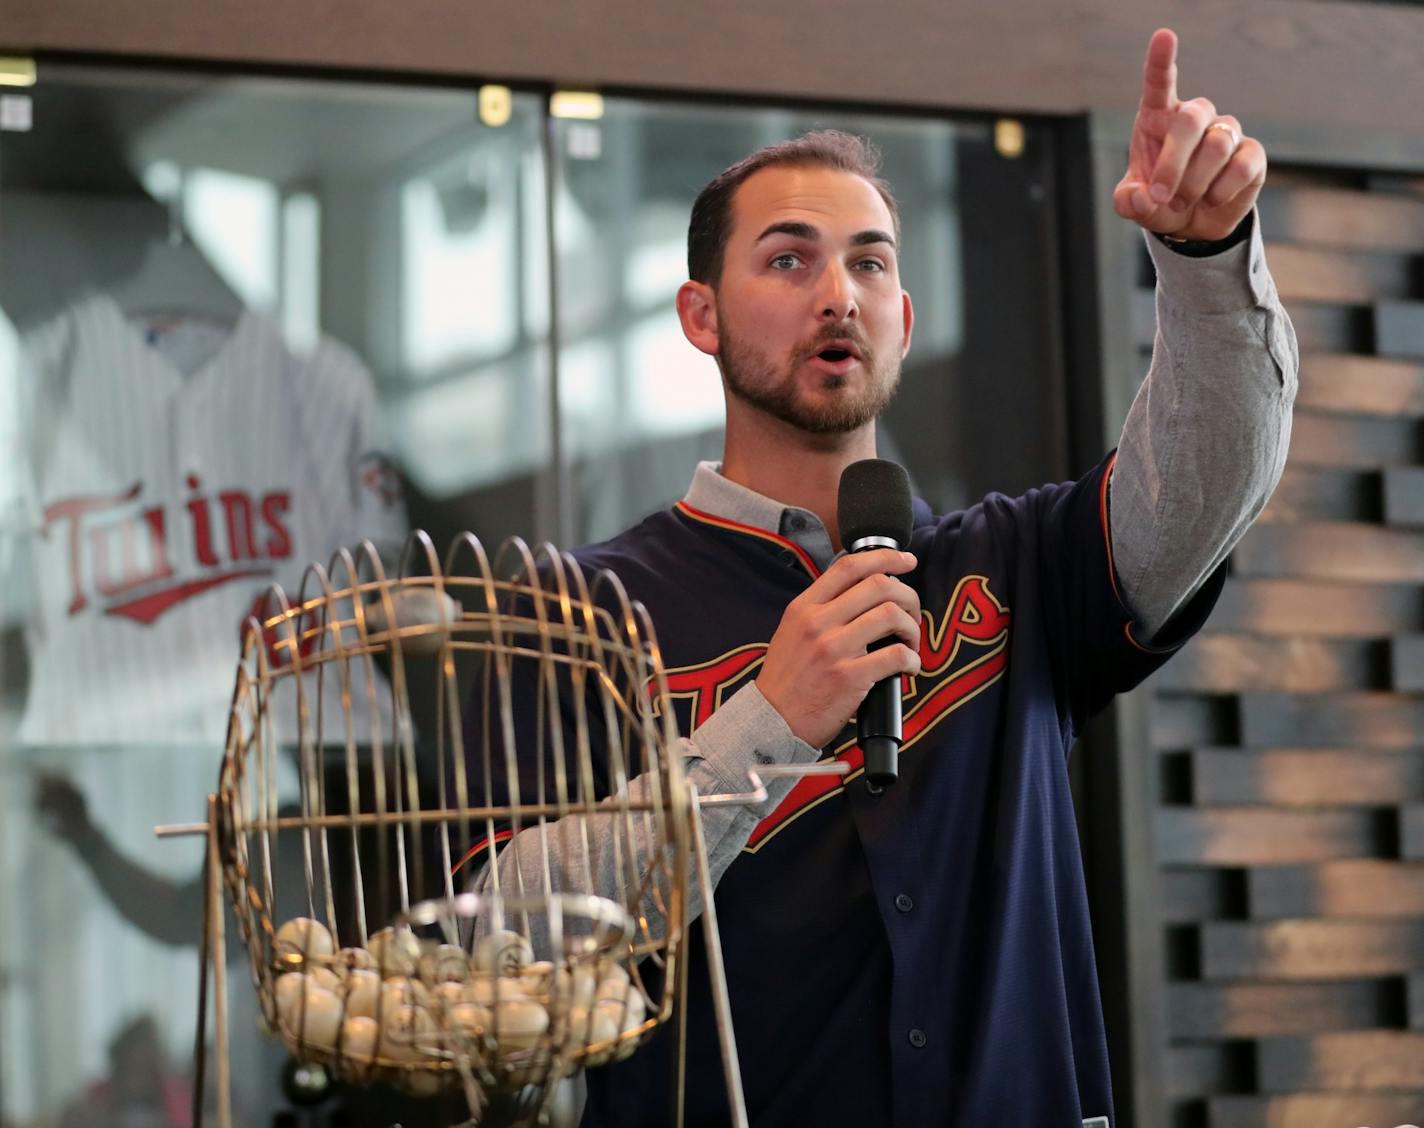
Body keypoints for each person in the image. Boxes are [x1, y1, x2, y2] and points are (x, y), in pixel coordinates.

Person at [460, 28, 1296, 1127]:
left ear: (901, 318)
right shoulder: (572, 612)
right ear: (699, 314)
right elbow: (495, 931)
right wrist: (769, 720)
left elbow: (1209, 482)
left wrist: (1206, 260)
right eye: (788, 258)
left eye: (869, 262)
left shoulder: (1018, 564)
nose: (838, 295)